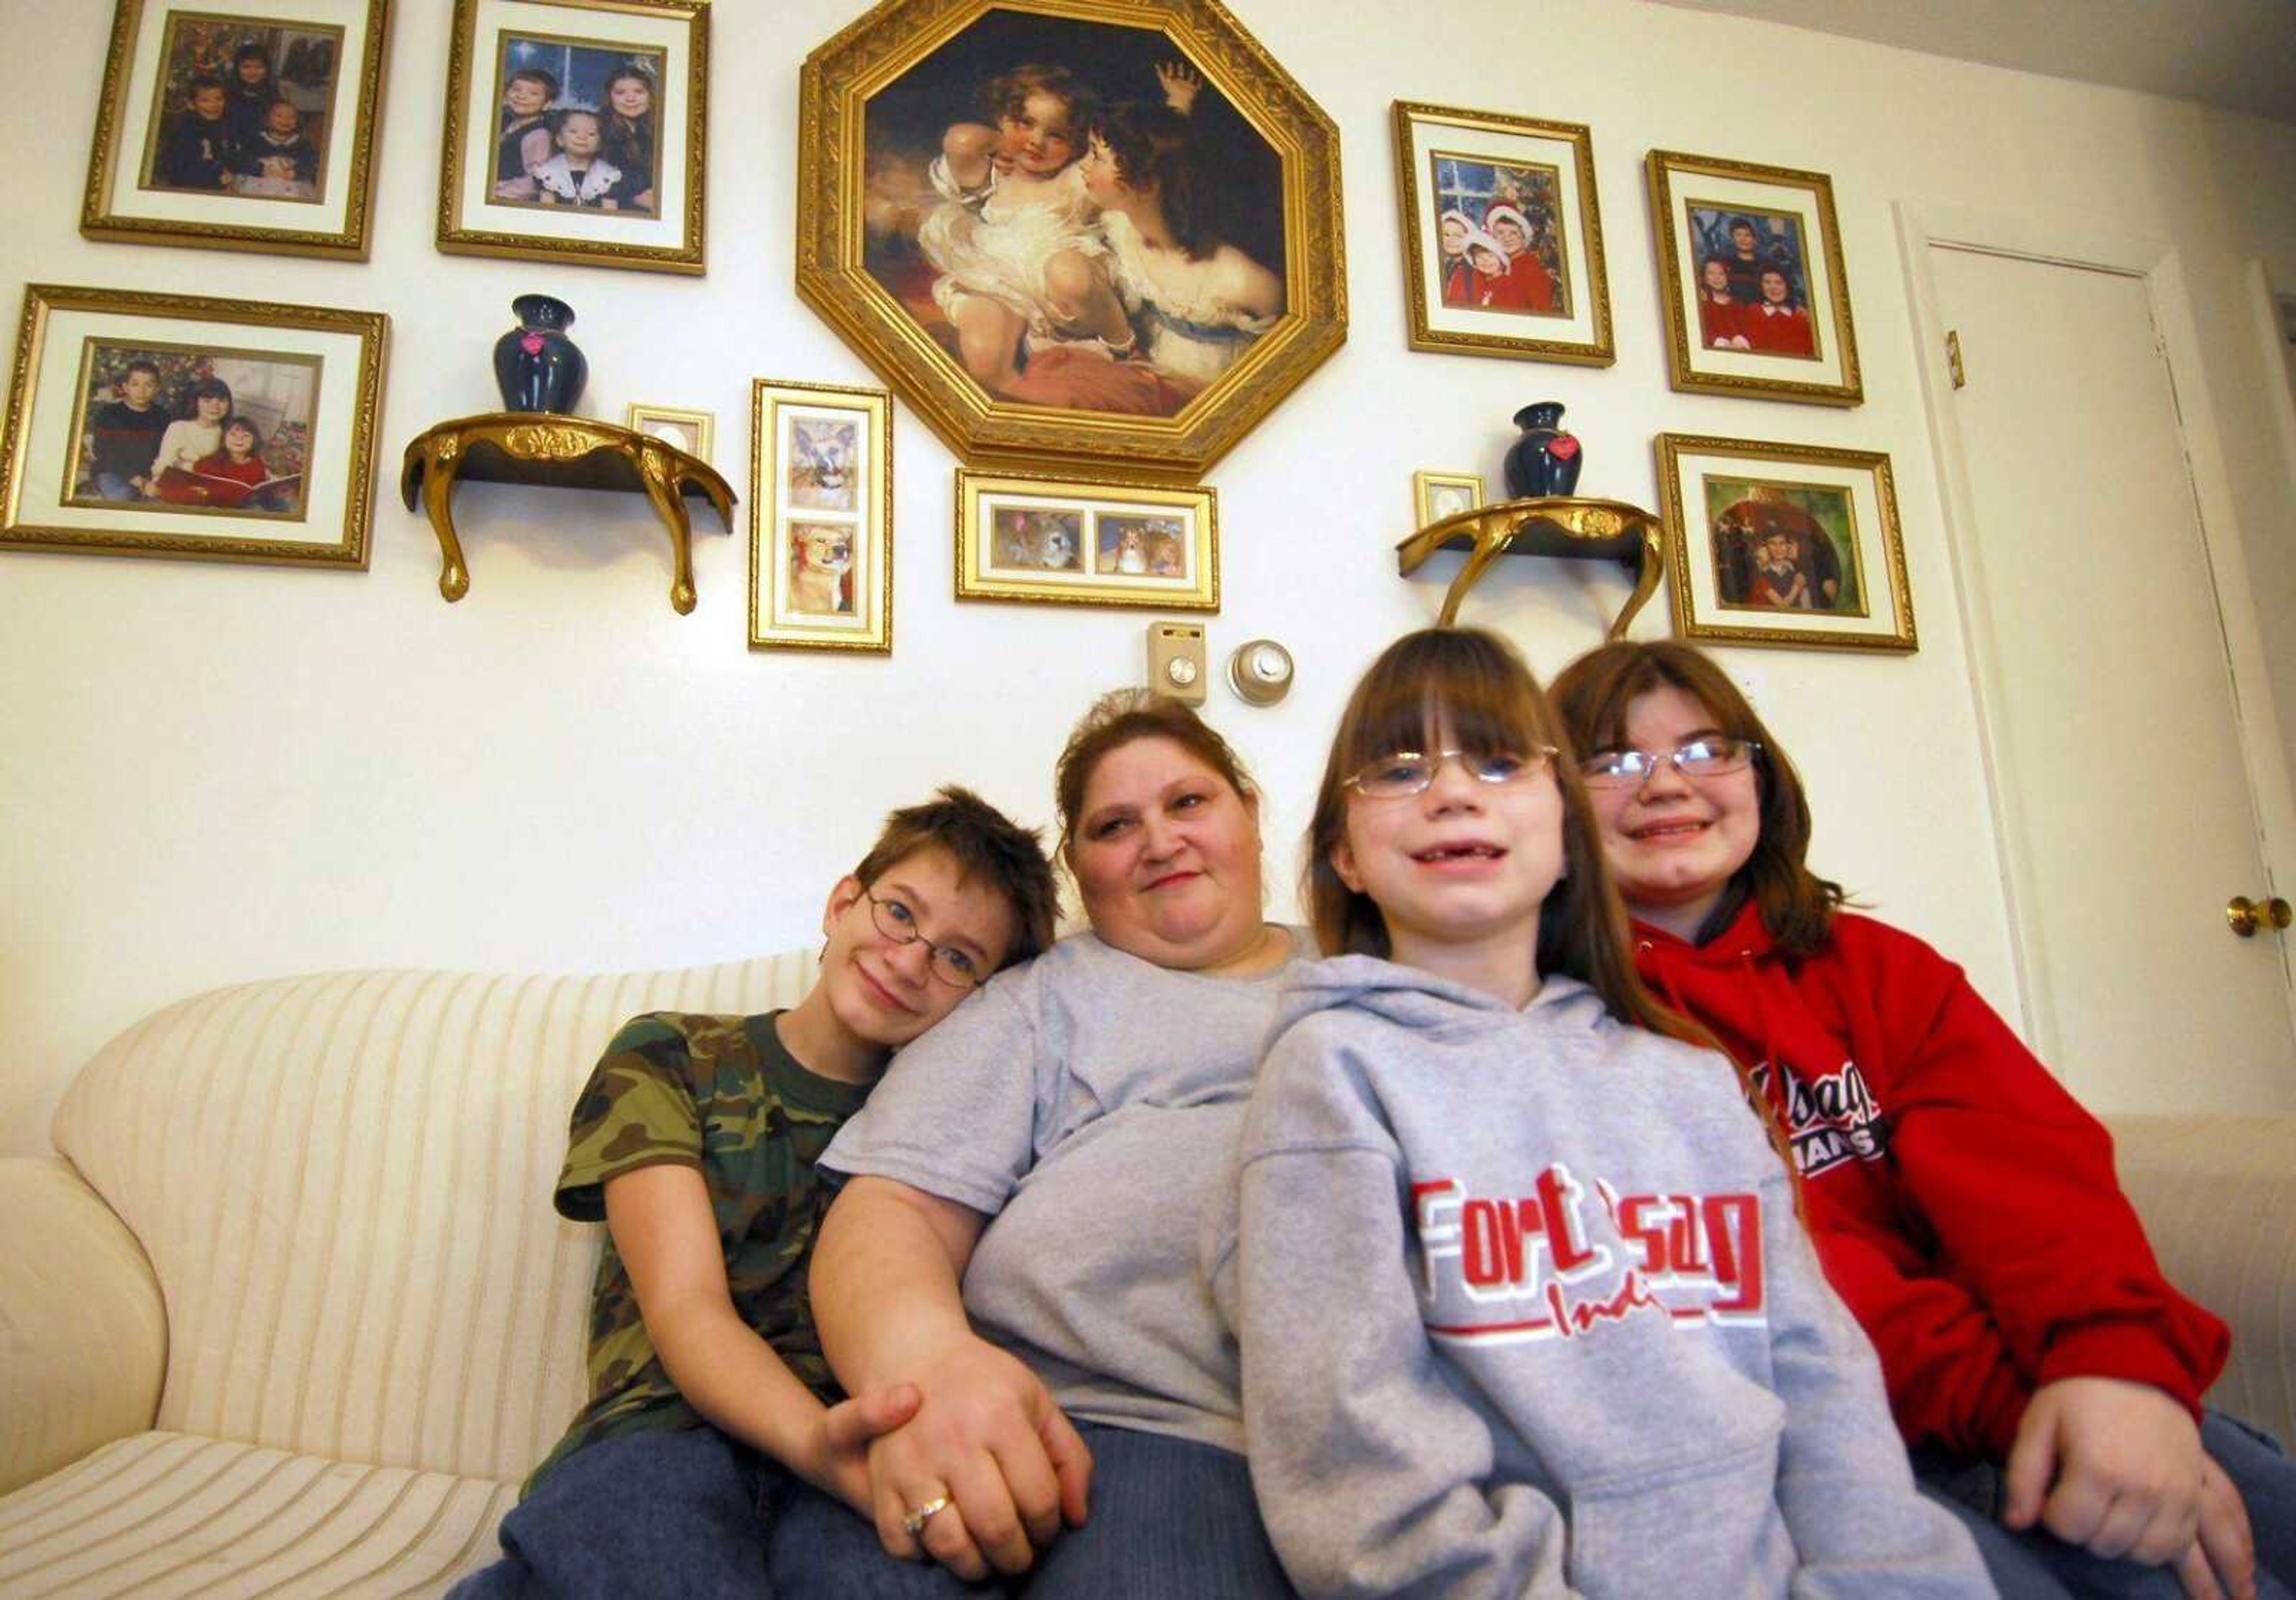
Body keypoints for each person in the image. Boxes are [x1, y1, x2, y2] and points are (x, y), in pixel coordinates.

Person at [1204, 627, 1987, 1596]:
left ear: (1569, 831)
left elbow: (1819, 1379)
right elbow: (1354, 1451)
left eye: (1497, 761)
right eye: (1401, 769)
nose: (1452, 791)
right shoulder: (1333, 1069)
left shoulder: (1692, 1078)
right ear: (1344, 856)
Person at [1550, 638, 2296, 1600]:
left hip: (2025, 1383)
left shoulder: (1876, 967)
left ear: (1760, 776)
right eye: (1611, 762)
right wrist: (2016, 1402)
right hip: (1845, 1435)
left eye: (1705, 751)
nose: (1666, 785)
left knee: (2256, 1505)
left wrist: (2118, 1370)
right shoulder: (1566, 1021)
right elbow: (1794, 1283)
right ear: (1554, 806)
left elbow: (2036, 1183)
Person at [450, 787, 1061, 1600]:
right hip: (663, 1434)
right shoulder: (672, 1055)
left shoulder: (955, 1132)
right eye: (899, 914)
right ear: (843, 903)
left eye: (958, 958)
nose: (911, 960)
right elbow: (686, 1308)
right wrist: (816, 1442)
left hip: (869, 1450)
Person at [787, 689, 1308, 1596]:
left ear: (1251, 814)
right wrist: (932, 1368)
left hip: (1227, 1435)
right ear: (1078, 868)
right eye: (1115, 825)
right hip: (1029, 1411)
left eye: (1189, 803)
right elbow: (891, 1209)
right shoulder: (1038, 999)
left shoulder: (1376, 970)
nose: (1159, 840)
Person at [917, 63, 1129, 394]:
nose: (1036, 141)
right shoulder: (988, 177)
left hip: (1061, 298)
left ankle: (1126, 347)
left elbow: (1138, 156)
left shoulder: (1072, 182)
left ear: (1078, 145)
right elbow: (959, 141)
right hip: (996, 285)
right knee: (984, 361)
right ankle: (1021, 417)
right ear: (1002, 118)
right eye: (1025, 123)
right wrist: (1001, 143)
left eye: (1056, 135)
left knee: (1070, 273)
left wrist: (1178, 108)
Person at [1075, 99, 1283, 392]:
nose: (1083, 164)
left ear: (1145, 184)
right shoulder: (1119, 228)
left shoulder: (1244, 282)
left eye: (1096, 156)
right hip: (1144, 379)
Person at [83, 360, 171, 500]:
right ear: (125, 387)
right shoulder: (110, 413)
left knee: (163, 499)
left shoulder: (163, 417)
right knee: (124, 496)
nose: (141, 390)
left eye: (148, 385)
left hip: (149, 474)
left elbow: (165, 452)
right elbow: (103, 452)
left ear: (157, 388)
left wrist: (153, 480)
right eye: (135, 384)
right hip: (112, 471)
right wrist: (133, 478)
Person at [146, 376, 233, 497]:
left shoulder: (230, 432)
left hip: (212, 490)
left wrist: (184, 465)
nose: (215, 406)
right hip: (179, 485)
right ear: (196, 402)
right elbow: (164, 464)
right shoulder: (179, 428)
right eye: (207, 400)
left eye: (222, 401)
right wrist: (157, 484)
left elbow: (227, 471)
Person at [163, 416, 270, 507]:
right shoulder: (209, 463)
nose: (239, 439)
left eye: (246, 435)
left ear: (254, 441)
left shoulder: (258, 464)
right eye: (233, 434)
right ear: (224, 439)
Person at [532, 108, 628, 209]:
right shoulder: (549, 172)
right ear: (559, 139)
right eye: (573, 132)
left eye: (591, 134)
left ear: (600, 144)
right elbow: (547, 210)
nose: (582, 137)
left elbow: (610, 212)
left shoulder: (608, 176)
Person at [152, 75, 234, 190]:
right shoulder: (185, 131)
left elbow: (230, 155)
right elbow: (182, 171)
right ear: (191, 104)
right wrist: (218, 176)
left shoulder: (223, 125)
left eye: (219, 99)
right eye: (205, 100)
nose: (214, 105)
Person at [599, 65, 658, 214]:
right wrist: (634, 198)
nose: (631, 99)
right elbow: (600, 184)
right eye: (620, 93)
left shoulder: (658, 128)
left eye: (639, 92)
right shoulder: (599, 130)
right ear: (610, 97)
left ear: (650, 95)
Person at [233, 98, 319, 198]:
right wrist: (259, 169)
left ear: (297, 121)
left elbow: (310, 162)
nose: (285, 120)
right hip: (260, 182)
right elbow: (241, 158)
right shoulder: (255, 140)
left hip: (291, 183)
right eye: (279, 116)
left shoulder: (303, 143)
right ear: (267, 120)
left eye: (292, 117)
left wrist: (297, 172)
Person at [494, 66, 557, 200]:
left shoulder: (539, 135)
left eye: (533, 93)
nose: (522, 96)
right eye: (516, 90)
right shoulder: (505, 124)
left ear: (547, 104)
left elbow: (536, 182)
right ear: (506, 94)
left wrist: (496, 189)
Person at [1483, 202, 1559, 312]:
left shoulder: (1531, 269)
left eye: (1514, 233)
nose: (1507, 238)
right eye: (1501, 233)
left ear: (1524, 237)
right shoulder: (1498, 267)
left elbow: (1542, 310)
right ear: (1494, 238)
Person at [1743, 266, 1818, 357]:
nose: (1773, 287)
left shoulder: (1800, 316)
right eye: (1767, 282)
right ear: (1760, 286)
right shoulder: (1753, 311)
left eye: (1779, 283)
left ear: (1787, 286)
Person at [224, 41, 276, 153]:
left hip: (264, 151)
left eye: (259, 67)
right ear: (237, 69)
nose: (253, 72)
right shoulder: (225, 93)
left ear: (267, 69)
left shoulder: (273, 95)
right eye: (246, 67)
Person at [1697, 255, 1751, 349]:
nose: (1717, 277)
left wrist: (1740, 342)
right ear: (1705, 278)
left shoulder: (1738, 305)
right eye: (1711, 273)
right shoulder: (1703, 305)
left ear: (1728, 277)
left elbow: (1747, 331)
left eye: (1721, 274)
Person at [1437, 207, 1474, 306]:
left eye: (1458, 236)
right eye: (1446, 235)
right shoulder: (1448, 264)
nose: (1451, 239)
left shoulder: (1471, 268)